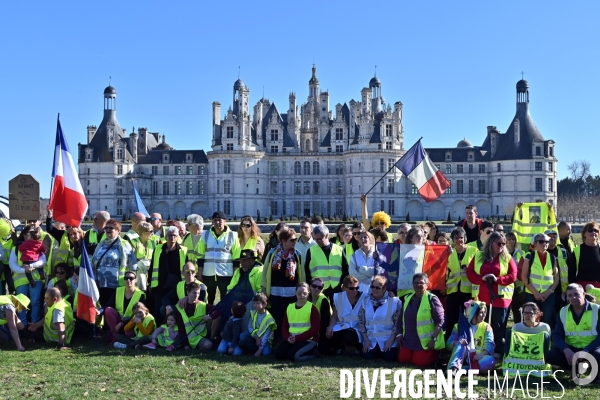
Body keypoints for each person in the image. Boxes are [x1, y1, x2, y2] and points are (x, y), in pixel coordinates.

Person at [467, 232, 517, 356]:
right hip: (482, 297)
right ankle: (481, 349)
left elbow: (513, 275)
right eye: (499, 243)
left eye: (503, 244)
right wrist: (481, 278)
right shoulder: (478, 255)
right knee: (482, 324)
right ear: (491, 243)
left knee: (498, 326)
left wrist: (498, 279)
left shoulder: (507, 257)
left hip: (501, 298)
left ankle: (497, 350)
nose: (502, 246)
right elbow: (470, 272)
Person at [546, 284, 600, 376]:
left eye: (576, 294)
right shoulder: (563, 311)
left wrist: (585, 352)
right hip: (571, 349)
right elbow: (557, 335)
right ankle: (576, 367)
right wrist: (566, 349)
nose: (573, 297)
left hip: (592, 348)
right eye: (570, 295)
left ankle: (592, 369)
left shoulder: (597, 310)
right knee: (550, 356)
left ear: (583, 294)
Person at [262, 228, 304, 338]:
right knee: (277, 315)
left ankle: (290, 336)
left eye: (295, 240)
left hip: (291, 291)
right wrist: (264, 288)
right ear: (283, 241)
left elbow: (301, 273)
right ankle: (278, 338)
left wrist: (303, 288)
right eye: (292, 240)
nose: (295, 242)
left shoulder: (297, 254)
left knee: (290, 315)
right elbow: (265, 271)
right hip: (275, 290)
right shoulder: (272, 252)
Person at [397, 273, 444, 366]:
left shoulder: (432, 299)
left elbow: (440, 321)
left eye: (421, 283)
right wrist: (399, 334)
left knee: (419, 362)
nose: (418, 285)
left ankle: (436, 354)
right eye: (415, 282)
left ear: (427, 285)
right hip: (409, 340)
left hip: (426, 342)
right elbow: (400, 318)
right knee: (403, 359)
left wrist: (433, 339)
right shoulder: (407, 298)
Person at [198, 211, 240, 305]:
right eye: (215, 220)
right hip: (208, 274)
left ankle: (224, 319)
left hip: (226, 274)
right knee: (208, 299)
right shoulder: (205, 234)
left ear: (225, 221)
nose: (217, 222)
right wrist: (200, 274)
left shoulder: (233, 235)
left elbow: (236, 258)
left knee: (226, 300)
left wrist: (235, 276)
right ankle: (208, 318)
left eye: (220, 220)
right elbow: (200, 256)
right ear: (212, 222)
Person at [445, 228, 479, 342]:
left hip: (468, 291)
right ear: (452, 240)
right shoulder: (449, 252)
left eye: (461, 237)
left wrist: (469, 270)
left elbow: (479, 268)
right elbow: (445, 271)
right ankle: (450, 342)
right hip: (453, 291)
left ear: (465, 238)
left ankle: (470, 341)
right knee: (452, 318)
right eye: (456, 237)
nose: (459, 240)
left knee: (469, 317)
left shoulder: (474, 251)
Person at [92, 219, 136, 307]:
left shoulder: (124, 244)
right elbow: (94, 262)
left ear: (118, 231)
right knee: (103, 308)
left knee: (113, 309)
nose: (108, 229)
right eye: (106, 228)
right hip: (100, 283)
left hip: (117, 284)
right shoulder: (101, 244)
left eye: (111, 228)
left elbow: (133, 264)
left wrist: (132, 280)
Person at [357, 275, 401, 361]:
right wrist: (365, 340)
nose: (374, 289)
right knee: (367, 356)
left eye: (378, 287)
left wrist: (391, 340)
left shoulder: (395, 302)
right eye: (372, 287)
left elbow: (397, 324)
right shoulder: (365, 301)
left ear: (384, 289)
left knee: (390, 358)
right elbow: (361, 322)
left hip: (387, 339)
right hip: (370, 339)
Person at [9, 226, 46, 328]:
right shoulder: (16, 248)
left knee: (35, 302)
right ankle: (23, 327)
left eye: (32, 232)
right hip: (20, 281)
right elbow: (12, 265)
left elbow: (43, 261)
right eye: (28, 233)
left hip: (36, 279)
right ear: (24, 235)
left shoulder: (38, 245)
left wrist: (30, 266)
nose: (30, 235)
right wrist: (24, 270)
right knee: (21, 304)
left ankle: (34, 325)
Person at [167, 281, 220, 351]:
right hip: (186, 337)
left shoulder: (203, 305)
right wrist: (186, 345)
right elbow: (181, 327)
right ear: (188, 293)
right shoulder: (180, 307)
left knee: (208, 345)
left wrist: (210, 316)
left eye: (198, 293)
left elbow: (218, 310)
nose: (196, 295)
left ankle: (211, 340)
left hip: (199, 337)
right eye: (194, 293)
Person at [149, 226, 187, 322]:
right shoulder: (158, 248)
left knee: (173, 308)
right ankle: (159, 330)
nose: (172, 237)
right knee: (158, 309)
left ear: (178, 236)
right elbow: (152, 266)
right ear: (165, 237)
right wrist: (149, 283)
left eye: (174, 235)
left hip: (176, 285)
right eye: (170, 235)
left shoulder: (183, 250)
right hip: (159, 284)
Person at [521, 233, 559, 327]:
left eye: (547, 241)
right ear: (535, 243)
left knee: (547, 320)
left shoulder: (552, 257)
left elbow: (556, 278)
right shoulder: (529, 256)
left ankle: (545, 340)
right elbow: (524, 277)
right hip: (531, 294)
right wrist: (535, 293)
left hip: (548, 295)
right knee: (530, 320)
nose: (544, 244)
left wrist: (548, 292)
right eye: (541, 241)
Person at [446, 300, 495, 374]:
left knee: (490, 360)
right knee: (460, 344)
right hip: (462, 358)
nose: (484, 315)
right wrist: (456, 343)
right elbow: (448, 344)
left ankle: (463, 370)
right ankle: (453, 368)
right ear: (473, 313)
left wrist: (480, 355)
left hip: (478, 359)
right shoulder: (458, 326)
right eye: (481, 312)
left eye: (485, 312)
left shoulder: (487, 327)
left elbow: (489, 347)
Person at [275, 283, 320, 362]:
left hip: (308, 340)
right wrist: (287, 337)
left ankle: (313, 354)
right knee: (279, 354)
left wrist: (297, 338)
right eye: (299, 293)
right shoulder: (290, 307)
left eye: (304, 293)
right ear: (295, 292)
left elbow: (315, 329)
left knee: (294, 357)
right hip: (292, 338)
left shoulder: (312, 308)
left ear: (308, 293)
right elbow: (284, 326)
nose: (301, 295)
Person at [305, 224, 349, 301]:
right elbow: (307, 270)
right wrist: (311, 285)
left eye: (319, 239)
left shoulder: (339, 249)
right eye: (315, 239)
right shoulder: (311, 251)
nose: (317, 242)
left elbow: (345, 269)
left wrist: (342, 284)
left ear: (326, 235)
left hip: (336, 287)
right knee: (320, 311)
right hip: (318, 288)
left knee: (338, 310)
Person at [104, 271, 146, 343]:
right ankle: (115, 336)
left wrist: (122, 323)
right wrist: (100, 311)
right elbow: (109, 304)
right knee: (108, 310)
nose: (128, 280)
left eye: (131, 278)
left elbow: (140, 314)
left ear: (136, 280)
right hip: (118, 319)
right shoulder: (118, 290)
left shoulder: (140, 294)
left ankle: (123, 338)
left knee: (128, 333)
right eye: (126, 278)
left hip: (131, 322)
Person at [326, 275, 365, 355]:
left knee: (349, 337)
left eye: (356, 288)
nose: (354, 290)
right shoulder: (338, 297)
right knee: (331, 334)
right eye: (351, 288)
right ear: (344, 288)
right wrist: (330, 327)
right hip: (342, 325)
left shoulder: (363, 297)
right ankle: (340, 348)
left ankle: (357, 348)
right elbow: (334, 316)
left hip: (357, 327)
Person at [240, 293, 276, 357]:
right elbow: (250, 326)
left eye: (257, 303)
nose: (255, 305)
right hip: (255, 336)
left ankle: (259, 349)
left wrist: (260, 349)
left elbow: (266, 335)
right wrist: (256, 337)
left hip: (264, 340)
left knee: (266, 353)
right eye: (254, 303)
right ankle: (254, 348)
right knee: (243, 336)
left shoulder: (269, 318)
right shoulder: (253, 313)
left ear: (265, 304)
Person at [569, 222, 600, 288]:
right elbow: (571, 273)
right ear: (584, 234)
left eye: (596, 231)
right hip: (582, 287)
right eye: (590, 230)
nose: (593, 232)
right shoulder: (577, 250)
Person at [506, 231, 527, 324]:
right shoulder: (501, 253)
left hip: (518, 286)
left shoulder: (521, 253)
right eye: (509, 239)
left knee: (517, 309)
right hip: (506, 284)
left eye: (513, 239)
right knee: (506, 309)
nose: (511, 241)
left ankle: (519, 326)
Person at [309, 277, 332, 355]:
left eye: (320, 287)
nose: (316, 289)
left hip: (322, 330)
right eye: (314, 286)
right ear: (310, 286)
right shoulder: (306, 298)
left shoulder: (323, 300)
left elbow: (325, 321)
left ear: (322, 289)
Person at [130, 221, 155, 291]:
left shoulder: (153, 242)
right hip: (138, 275)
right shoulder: (133, 242)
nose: (152, 233)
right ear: (143, 232)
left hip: (150, 273)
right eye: (151, 231)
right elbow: (131, 260)